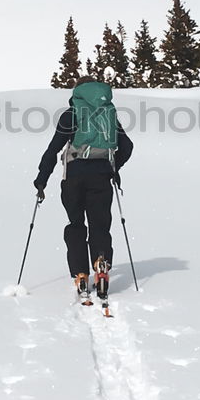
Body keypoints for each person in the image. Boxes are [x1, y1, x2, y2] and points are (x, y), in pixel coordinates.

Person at [34, 76, 133, 297]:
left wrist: (42, 179)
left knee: (76, 224)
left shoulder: (71, 114)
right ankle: (101, 264)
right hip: (101, 177)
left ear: (77, 92)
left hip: (73, 179)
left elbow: (53, 150)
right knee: (100, 225)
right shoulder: (108, 114)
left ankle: (80, 273)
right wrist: (113, 167)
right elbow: (127, 146)